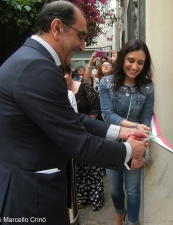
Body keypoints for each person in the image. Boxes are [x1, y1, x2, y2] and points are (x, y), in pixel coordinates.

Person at [0, 2, 149, 225]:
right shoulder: (37, 68)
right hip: (29, 199)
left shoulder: (29, 61)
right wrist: (130, 150)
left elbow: (70, 119)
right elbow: (79, 144)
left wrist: (121, 131)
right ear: (57, 28)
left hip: (20, 190)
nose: (83, 46)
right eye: (81, 35)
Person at [99, 39, 154, 225]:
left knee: (133, 190)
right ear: (123, 59)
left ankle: (132, 222)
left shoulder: (147, 87)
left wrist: (141, 151)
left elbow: (146, 122)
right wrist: (134, 126)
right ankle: (119, 213)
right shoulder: (106, 83)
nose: (135, 66)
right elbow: (107, 115)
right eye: (131, 60)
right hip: (112, 143)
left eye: (140, 62)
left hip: (137, 144)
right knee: (114, 189)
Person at [63, 64, 104, 210]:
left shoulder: (84, 87)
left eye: (64, 74)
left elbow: (96, 107)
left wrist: (85, 126)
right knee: (79, 168)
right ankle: (81, 197)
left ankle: (96, 198)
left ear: (70, 73)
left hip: (91, 130)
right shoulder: (59, 92)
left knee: (93, 167)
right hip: (76, 135)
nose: (62, 78)